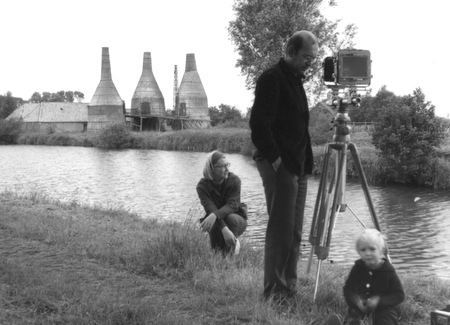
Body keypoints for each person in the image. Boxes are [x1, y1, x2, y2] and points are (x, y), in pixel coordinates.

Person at [249, 30, 318, 299]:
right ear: (290, 51)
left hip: (298, 167)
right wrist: (276, 160)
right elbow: (258, 126)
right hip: (279, 166)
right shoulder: (271, 79)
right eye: (305, 57)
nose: (309, 63)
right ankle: (274, 291)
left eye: (312, 59)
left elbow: (299, 127)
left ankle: (289, 285)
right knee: (281, 229)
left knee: (295, 230)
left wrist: (305, 164)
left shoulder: (296, 80)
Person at [326, 228, 405, 325]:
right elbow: (348, 289)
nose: (367, 253)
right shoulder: (358, 268)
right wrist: (357, 300)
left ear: (381, 250)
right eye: (363, 250)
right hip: (361, 307)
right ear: (358, 252)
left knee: (386, 319)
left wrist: (379, 301)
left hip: (385, 308)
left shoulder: (388, 271)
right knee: (354, 318)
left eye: (372, 249)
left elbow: (399, 295)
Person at [196, 150, 247, 256]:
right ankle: (217, 254)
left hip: (236, 218)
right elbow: (210, 208)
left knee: (230, 218)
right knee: (212, 224)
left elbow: (232, 205)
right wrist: (224, 228)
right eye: (223, 166)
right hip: (216, 220)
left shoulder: (235, 181)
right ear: (212, 169)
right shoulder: (202, 186)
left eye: (227, 165)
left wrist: (215, 215)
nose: (227, 169)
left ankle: (233, 252)